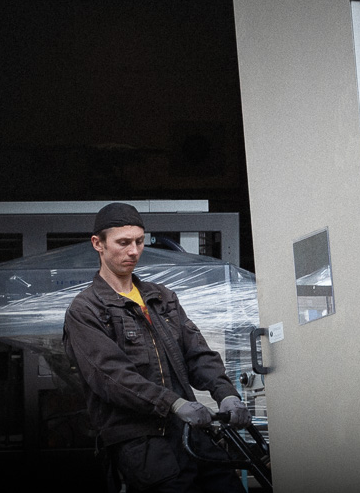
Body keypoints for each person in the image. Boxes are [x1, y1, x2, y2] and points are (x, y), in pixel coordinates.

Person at [63, 202, 252, 493]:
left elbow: (198, 354)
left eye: (139, 241)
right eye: (123, 243)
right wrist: (173, 404)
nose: (134, 251)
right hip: (143, 446)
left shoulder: (161, 298)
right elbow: (112, 377)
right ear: (97, 244)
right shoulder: (86, 309)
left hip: (190, 433)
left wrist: (225, 394)